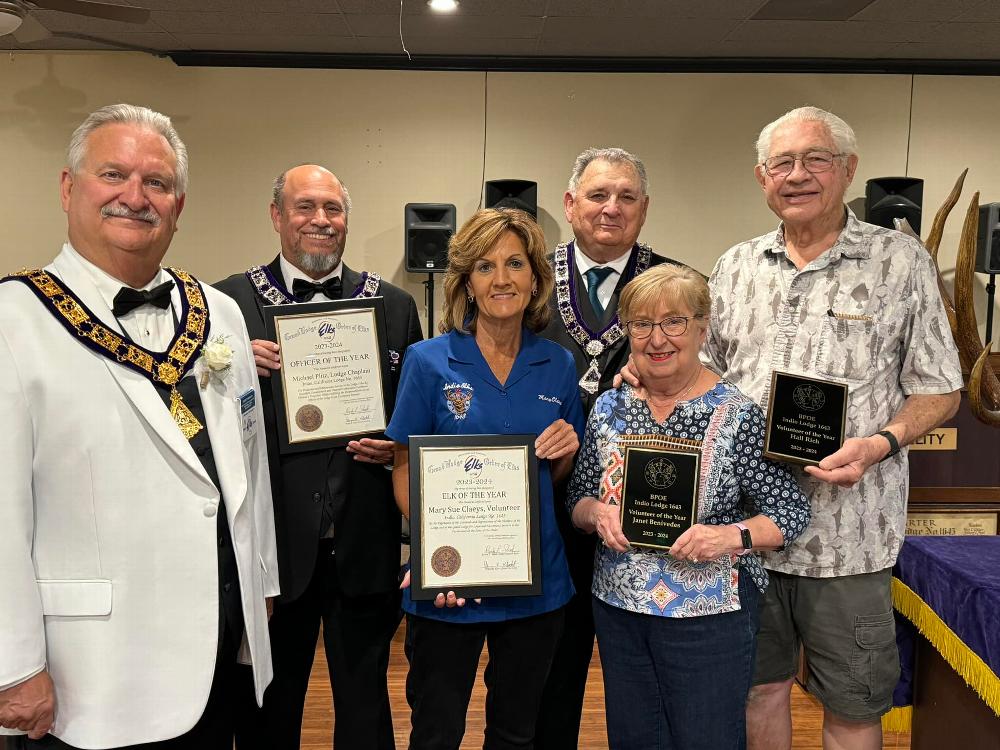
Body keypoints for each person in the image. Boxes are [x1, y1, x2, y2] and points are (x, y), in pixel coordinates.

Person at [0, 104, 277, 749]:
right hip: (90, 672)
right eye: (114, 175)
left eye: (157, 183)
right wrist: (13, 664)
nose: (136, 196)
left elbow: (249, 461)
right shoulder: (14, 322)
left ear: (179, 204)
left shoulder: (222, 313)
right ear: (69, 189)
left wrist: (260, 580)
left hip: (217, 646)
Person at [706, 107, 963, 750]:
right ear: (761, 178)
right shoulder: (735, 266)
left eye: (815, 159)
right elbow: (704, 375)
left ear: (849, 170)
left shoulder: (901, 264)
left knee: (852, 704)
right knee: (756, 689)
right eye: (781, 164)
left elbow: (941, 388)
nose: (797, 175)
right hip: (746, 533)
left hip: (849, 534)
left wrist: (882, 443)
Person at [216, 164, 423, 750]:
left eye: (333, 209)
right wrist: (230, 372)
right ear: (277, 215)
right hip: (274, 545)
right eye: (305, 207)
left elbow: (414, 413)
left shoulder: (394, 304)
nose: (321, 221)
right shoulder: (227, 303)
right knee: (269, 704)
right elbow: (193, 415)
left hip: (365, 538)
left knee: (365, 702)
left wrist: (397, 447)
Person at [569, 263, 810, 749]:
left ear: (702, 327)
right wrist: (597, 514)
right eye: (641, 324)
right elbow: (578, 498)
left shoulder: (738, 415)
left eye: (674, 322)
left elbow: (789, 514)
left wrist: (728, 536)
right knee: (634, 738)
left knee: (707, 738)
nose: (658, 338)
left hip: (710, 615)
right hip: (621, 610)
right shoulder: (610, 408)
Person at [386, 208, 583, 749]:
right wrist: (435, 557)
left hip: (533, 586)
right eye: (485, 266)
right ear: (466, 283)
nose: (502, 279)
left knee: (517, 733)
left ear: (536, 277)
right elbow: (405, 468)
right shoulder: (429, 362)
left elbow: (555, 476)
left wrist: (565, 450)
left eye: (515, 263)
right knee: (435, 729)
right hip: (449, 586)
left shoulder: (559, 365)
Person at [535, 146, 686, 749]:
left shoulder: (678, 285)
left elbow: (714, 376)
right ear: (571, 204)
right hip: (545, 506)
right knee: (550, 672)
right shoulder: (526, 278)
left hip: (647, 515)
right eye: (598, 195)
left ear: (644, 209)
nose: (611, 208)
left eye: (626, 196)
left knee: (648, 676)